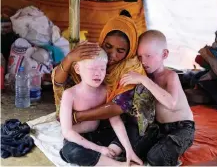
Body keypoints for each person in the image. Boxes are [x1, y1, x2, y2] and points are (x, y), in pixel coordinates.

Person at [52, 12, 155, 162]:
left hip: (117, 126)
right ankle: (111, 159)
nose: (112, 54)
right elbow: (59, 81)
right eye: (108, 46)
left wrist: (78, 116)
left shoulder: (131, 69)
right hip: (86, 130)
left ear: (130, 49)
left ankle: (110, 156)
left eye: (120, 51)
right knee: (71, 151)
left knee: (135, 131)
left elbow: (117, 110)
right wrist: (70, 59)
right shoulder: (92, 55)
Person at [119, 30, 195, 166]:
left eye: (148, 55)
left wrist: (143, 80)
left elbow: (171, 103)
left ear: (164, 54)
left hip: (182, 129)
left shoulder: (170, 76)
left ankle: (171, 160)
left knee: (156, 156)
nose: (143, 61)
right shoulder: (145, 77)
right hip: (158, 129)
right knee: (133, 153)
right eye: (140, 56)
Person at [59, 48, 142, 166]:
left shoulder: (105, 91)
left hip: (101, 133)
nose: (98, 73)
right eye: (92, 69)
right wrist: (99, 149)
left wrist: (129, 150)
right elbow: (67, 132)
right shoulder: (70, 95)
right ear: (78, 69)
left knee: (132, 128)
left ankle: (111, 155)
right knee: (70, 152)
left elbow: (116, 121)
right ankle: (117, 164)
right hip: (79, 137)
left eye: (102, 69)